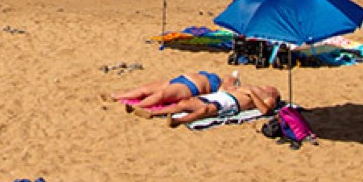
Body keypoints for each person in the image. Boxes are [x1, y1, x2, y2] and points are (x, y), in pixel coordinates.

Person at [132, 83, 281, 127]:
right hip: (223, 95)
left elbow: (265, 111)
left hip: (232, 103)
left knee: (207, 109)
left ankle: (178, 121)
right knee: (184, 104)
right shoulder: (255, 87)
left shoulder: (269, 97)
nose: (269, 87)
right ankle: (152, 113)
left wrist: (252, 94)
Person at [114, 70, 228, 110]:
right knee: (144, 89)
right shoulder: (219, 80)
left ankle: (137, 107)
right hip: (181, 79)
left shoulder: (220, 88)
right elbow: (231, 77)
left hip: (190, 88)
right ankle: (117, 97)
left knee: (161, 95)